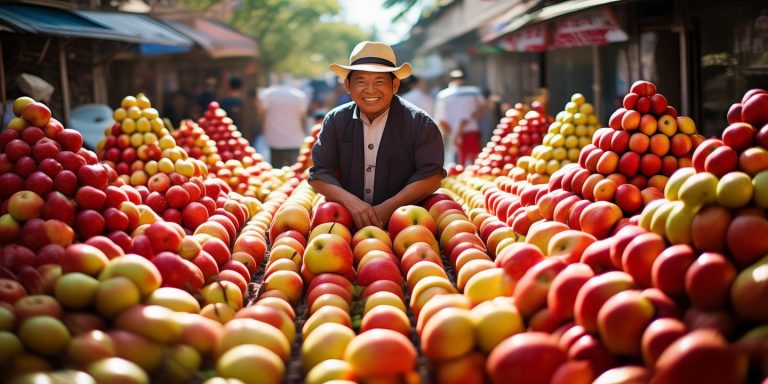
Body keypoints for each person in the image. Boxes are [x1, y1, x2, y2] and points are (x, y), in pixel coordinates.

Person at [308, 41, 445, 229]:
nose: (370, 90)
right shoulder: (335, 120)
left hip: (408, 227)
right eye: (361, 81)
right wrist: (353, 204)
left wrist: (388, 208)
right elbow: (319, 174)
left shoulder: (420, 123)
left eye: (379, 81)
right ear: (348, 85)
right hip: (344, 225)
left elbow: (432, 176)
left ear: (395, 84)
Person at [434, 69, 485, 166]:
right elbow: (482, 109)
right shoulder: (474, 92)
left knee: (457, 166)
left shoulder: (442, 95)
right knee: (476, 165)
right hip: (470, 133)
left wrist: (451, 136)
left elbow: (440, 121)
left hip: (456, 135)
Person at [258, 75, 309, 168]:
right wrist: (305, 132)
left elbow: (261, 114)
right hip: (294, 139)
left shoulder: (267, 94)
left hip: (274, 138)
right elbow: (303, 117)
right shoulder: (299, 95)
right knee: (294, 169)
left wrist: (263, 129)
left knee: (276, 169)